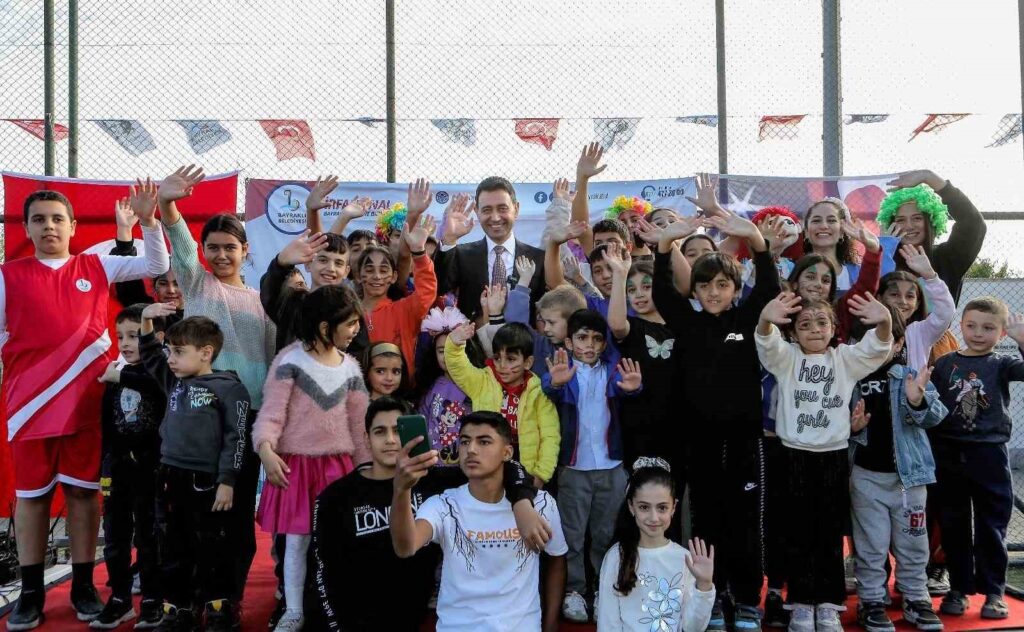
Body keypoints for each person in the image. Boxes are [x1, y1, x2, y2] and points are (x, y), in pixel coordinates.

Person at [2, 184, 169, 630]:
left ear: (73, 226)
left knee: (82, 493)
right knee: (32, 497)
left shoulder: (96, 264)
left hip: (87, 401)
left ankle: (82, 586)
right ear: (26, 228)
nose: (49, 226)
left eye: (57, 218)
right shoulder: (6, 276)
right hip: (29, 407)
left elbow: (157, 265)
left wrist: (148, 222)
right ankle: (30, 593)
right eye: (39, 220)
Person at [309, 397, 545, 631]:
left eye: (398, 431)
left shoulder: (433, 481)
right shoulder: (336, 497)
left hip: (417, 619)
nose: (390, 440)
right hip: (354, 621)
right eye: (380, 432)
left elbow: (507, 466)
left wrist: (521, 503)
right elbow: (319, 575)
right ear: (366, 439)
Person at [649, 207, 779, 631]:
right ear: (695, 290)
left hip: (744, 441)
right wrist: (665, 243)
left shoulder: (747, 319)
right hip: (699, 442)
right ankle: (713, 596)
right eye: (704, 285)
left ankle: (747, 599)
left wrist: (756, 241)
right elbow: (662, 292)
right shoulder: (687, 322)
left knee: (746, 521)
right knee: (705, 520)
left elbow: (769, 287)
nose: (713, 292)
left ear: (735, 288)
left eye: (722, 284)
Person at [157, 165, 276, 614]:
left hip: (244, 423)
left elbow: (272, 360)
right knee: (188, 519)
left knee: (236, 516)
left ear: (246, 251)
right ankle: (186, 602)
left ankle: (227, 600)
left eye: (230, 247)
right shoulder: (197, 283)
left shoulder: (264, 302)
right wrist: (168, 203)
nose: (222, 255)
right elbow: (181, 245)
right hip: (196, 423)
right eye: (214, 247)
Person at [755, 291, 893, 632]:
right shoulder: (787, 359)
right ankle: (801, 604)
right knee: (798, 532)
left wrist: (885, 322)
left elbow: (877, 348)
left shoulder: (844, 359)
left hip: (832, 458)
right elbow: (767, 343)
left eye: (821, 323)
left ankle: (829, 605)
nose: (814, 330)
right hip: (794, 456)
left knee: (829, 534)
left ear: (834, 329)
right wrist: (765, 319)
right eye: (804, 325)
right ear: (793, 333)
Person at [251, 285, 370, 631]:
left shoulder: (351, 368)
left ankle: (338, 603)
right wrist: (266, 449)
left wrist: (365, 467)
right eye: (350, 323)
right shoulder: (289, 361)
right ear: (324, 327)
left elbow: (359, 424)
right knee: (296, 542)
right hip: (297, 467)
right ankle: (293, 610)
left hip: (339, 467)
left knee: (339, 538)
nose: (356, 330)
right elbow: (271, 413)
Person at [390, 411, 569, 632]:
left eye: (484, 442)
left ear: (507, 452)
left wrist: (550, 624)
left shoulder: (541, 504)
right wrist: (401, 489)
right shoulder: (444, 504)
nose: (471, 449)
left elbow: (557, 560)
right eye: (465, 441)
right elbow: (405, 547)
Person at [137, 305, 251, 632]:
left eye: (178, 352)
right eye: (170, 351)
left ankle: (219, 607)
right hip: (169, 477)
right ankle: (178, 607)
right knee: (172, 545)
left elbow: (237, 438)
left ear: (206, 352)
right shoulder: (173, 382)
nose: (170, 359)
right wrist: (146, 318)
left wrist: (227, 480)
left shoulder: (229, 388)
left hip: (209, 482)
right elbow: (150, 355)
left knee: (214, 546)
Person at [846, 306, 948, 632]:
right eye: (869, 338)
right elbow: (835, 423)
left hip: (909, 479)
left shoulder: (910, 375)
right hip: (866, 479)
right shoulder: (851, 376)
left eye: (886, 337)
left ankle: (916, 598)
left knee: (913, 542)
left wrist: (918, 401)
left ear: (901, 341)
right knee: (871, 545)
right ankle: (871, 601)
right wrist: (850, 428)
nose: (878, 344)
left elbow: (936, 416)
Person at [542, 310, 642, 623]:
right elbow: (548, 387)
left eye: (597, 339)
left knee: (605, 534)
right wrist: (555, 383)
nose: (590, 345)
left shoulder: (612, 370)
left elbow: (628, 389)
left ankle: (602, 589)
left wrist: (634, 388)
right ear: (569, 342)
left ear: (604, 344)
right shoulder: (562, 370)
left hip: (611, 466)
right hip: (574, 468)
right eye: (582, 338)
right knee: (572, 534)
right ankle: (574, 590)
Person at [929, 298, 1024, 619]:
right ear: (961, 326)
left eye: (988, 327)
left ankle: (994, 592)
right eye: (971, 326)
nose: (978, 333)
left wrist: (1023, 341)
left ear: (1001, 332)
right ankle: (958, 587)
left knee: (992, 525)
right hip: (949, 454)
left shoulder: (1002, 363)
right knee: (953, 524)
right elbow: (931, 405)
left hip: (989, 455)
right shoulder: (945, 364)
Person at [89, 305, 168, 630]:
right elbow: (107, 425)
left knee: (149, 537)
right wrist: (105, 466)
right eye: (120, 336)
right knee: (115, 537)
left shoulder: (162, 372)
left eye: (133, 336)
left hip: (151, 470)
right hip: (119, 469)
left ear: (155, 337)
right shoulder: (115, 373)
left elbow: (156, 388)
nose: (124, 343)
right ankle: (120, 598)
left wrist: (119, 376)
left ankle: (152, 598)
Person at [597, 458, 716, 632]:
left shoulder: (685, 559)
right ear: (631, 506)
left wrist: (704, 585)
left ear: (674, 507)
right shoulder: (616, 557)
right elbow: (608, 624)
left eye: (662, 508)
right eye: (644, 507)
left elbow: (693, 627)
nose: (654, 518)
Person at [444, 321, 561, 487]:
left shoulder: (539, 392)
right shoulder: (482, 382)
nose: (502, 366)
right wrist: (454, 344)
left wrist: (541, 474)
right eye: (497, 358)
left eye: (511, 359)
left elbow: (550, 436)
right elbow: (458, 367)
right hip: (486, 464)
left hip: (525, 468)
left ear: (528, 362)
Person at [355, 182, 437, 382]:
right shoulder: (347, 312)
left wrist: (419, 253)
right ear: (358, 275)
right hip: (355, 392)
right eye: (369, 269)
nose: (377, 276)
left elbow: (425, 292)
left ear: (393, 277)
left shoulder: (403, 310)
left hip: (399, 393)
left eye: (383, 270)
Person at [436, 176, 546, 322]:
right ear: (477, 211)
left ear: (516, 209)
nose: (495, 217)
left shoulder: (538, 258)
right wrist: (449, 239)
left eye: (502, 209)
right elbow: (439, 288)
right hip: (474, 335)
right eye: (487, 210)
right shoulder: (462, 255)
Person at [606, 257, 679, 468]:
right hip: (639, 423)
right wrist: (619, 274)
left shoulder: (680, 326)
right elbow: (617, 325)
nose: (638, 294)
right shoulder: (633, 327)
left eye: (646, 286)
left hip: (677, 422)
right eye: (631, 289)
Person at [876, 170, 986, 305]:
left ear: (931, 221)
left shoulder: (947, 257)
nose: (909, 226)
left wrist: (928, 177)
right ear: (891, 224)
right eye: (900, 220)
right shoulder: (882, 259)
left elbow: (973, 223)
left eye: (917, 218)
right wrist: (883, 250)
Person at [260, 229, 369, 355]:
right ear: (308, 264)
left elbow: (360, 354)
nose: (331, 268)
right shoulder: (293, 304)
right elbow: (270, 295)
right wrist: (280, 263)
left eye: (338, 263)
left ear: (346, 271)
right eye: (323, 260)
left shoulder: (352, 311)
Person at [416, 307, 476, 467]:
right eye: (442, 351)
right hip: (434, 466)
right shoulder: (430, 387)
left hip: (467, 466)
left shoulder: (475, 382)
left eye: (453, 349)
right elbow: (422, 422)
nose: (448, 355)